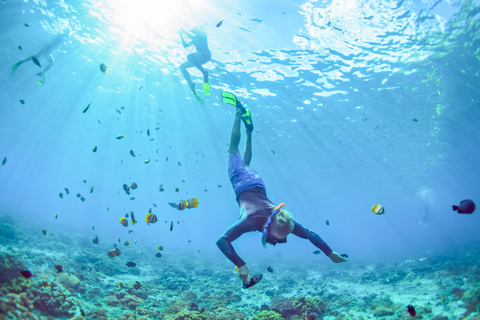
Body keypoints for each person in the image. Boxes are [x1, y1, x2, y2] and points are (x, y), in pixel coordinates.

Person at [216, 91, 348, 285]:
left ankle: (250, 131)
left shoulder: (282, 223)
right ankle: (238, 111)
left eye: (280, 240)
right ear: (268, 227)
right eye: (275, 238)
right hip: (243, 184)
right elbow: (221, 241)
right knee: (232, 150)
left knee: (245, 163)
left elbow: (310, 234)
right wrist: (240, 263)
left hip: (258, 183)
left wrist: (331, 254)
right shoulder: (251, 220)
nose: (276, 242)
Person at [178, 26, 211, 104]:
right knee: (182, 66)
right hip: (199, 58)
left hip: (205, 55)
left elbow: (191, 36)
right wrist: (181, 35)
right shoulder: (195, 38)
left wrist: (184, 31)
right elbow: (186, 45)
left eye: (194, 31)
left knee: (190, 57)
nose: (194, 32)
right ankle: (191, 83)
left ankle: (204, 72)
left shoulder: (202, 34)